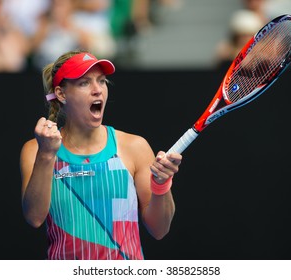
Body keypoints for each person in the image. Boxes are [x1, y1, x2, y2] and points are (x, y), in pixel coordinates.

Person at [19, 49, 182, 260]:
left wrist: (161, 185)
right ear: (61, 94)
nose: (98, 90)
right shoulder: (36, 150)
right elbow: (34, 217)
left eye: (102, 81)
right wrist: (47, 155)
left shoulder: (135, 147)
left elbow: (159, 230)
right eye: (84, 83)